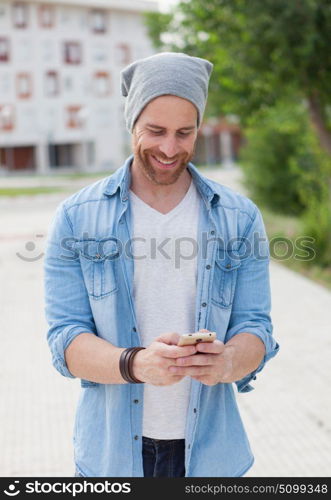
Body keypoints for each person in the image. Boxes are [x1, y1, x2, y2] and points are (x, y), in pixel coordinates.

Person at [44, 52, 279, 478]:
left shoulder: (239, 217)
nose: (170, 149)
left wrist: (227, 362)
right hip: (111, 457)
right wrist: (136, 364)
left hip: (211, 457)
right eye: (155, 131)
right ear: (132, 122)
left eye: (183, 133)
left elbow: (256, 329)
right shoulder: (76, 217)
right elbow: (65, 339)